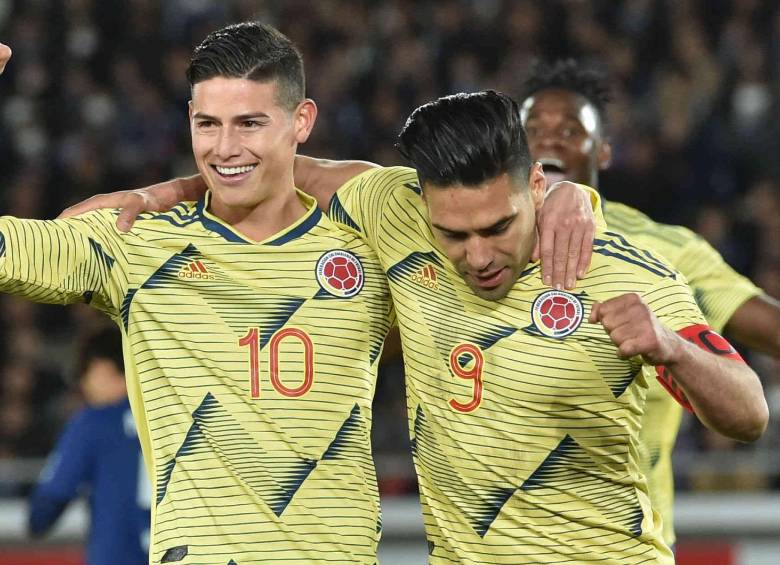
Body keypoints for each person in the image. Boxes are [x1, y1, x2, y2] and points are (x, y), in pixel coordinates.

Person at [71, 90, 769, 563]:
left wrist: (672, 347)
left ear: (535, 185)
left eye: (498, 227)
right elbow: (264, 167)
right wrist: (159, 192)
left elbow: (748, 412)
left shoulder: (623, 271)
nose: (478, 254)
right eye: (454, 234)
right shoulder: (394, 208)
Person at [1, 22, 398, 564]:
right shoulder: (133, 242)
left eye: (250, 123)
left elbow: (488, 214)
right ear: (189, 119)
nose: (225, 148)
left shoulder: (371, 247)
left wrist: (560, 193)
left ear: (301, 120)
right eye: (207, 124)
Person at [517, 58, 780, 546]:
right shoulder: (474, 246)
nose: (548, 139)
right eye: (532, 128)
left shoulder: (666, 251)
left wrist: (671, 343)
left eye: (571, 130)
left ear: (605, 151)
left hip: (626, 546)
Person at [28, 325, 150, 565]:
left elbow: (49, 501)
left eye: (85, 372)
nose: (84, 384)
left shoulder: (94, 422)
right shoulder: (178, 418)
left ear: (102, 367)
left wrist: (36, 521)